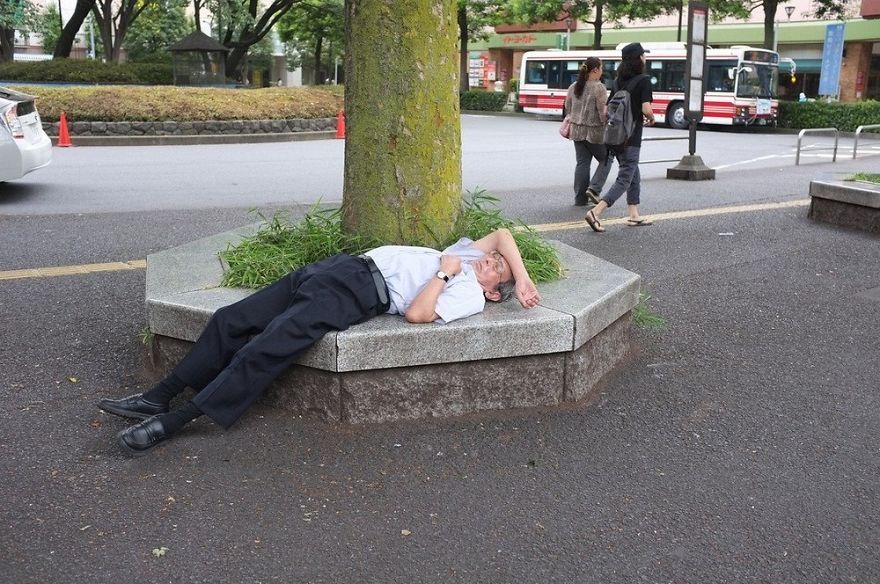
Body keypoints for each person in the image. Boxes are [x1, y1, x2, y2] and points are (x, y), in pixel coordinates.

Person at [98, 228, 541, 456]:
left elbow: (418, 314)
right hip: (339, 268)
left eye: (497, 268)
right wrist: (520, 276)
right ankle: (160, 395)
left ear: (493, 293)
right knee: (231, 319)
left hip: (357, 293)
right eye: (493, 258)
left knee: (266, 347)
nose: (491, 259)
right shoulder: (466, 254)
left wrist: (446, 272)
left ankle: (174, 421)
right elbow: (504, 234)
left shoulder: (467, 292)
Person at [584, 42, 655, 232]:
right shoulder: (644, 80)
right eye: (643, 55)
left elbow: (606, 110)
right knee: (625, 178)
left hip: (615, 137)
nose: (645, 58)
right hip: (631, 137)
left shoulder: (617, 82)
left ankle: (634, 215)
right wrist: (651, 118)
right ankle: (596, 212)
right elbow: (646, 109)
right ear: (639, 58)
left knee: (633, 174)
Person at [564, 57, 613, 207]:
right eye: (601, 68)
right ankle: (594, 188)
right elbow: (603, 113)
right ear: (595, 70)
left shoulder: (574, 86)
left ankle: (580, 199)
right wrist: (608, 123)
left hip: (576, 131)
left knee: (582, 163)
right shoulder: (599, 87)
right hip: (594, 132)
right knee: (607, 158)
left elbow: (567, 107)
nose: (602, 71)